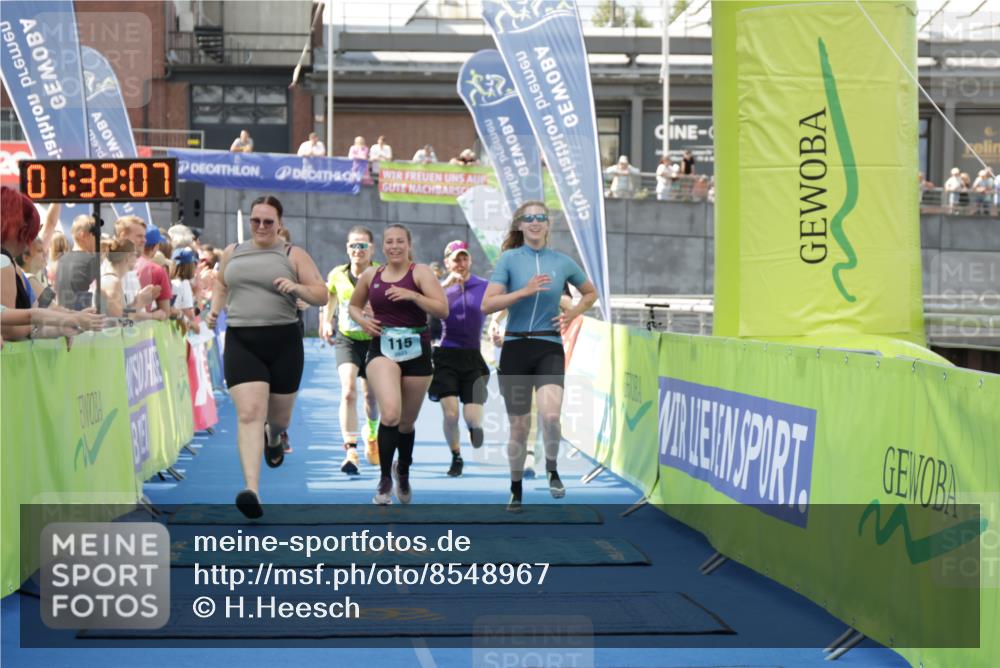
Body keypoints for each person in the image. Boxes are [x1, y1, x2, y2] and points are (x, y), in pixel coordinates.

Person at [204, 195, 328, 519]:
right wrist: (214, 311)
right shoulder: (233, 252)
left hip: (283, 342)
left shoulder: (292, 254)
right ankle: (252, 490)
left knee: (279, 418)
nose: (261, 226)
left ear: (279, 224)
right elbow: (221, 284)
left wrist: (296, 288)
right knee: (249, 414)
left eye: (268, 221)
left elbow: (321, 294)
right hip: (242, 341)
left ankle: (275, 437)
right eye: (255, 220)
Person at [481, 201, 597, 511]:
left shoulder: (561, 262)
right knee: (519, 427)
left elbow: (590, 293)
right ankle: (516, 488)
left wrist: (573, 313)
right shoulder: (509, 260)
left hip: (548, 346)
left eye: (540, 218)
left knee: (551, 416)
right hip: (516, 348)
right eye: (529, 218)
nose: (535, 222)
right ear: (520, 225)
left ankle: (552, 469)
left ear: (547, 224)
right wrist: (524, 291)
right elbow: (488, 305)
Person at [348, 224, 448, 505]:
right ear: (382, 246)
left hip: (417, 350)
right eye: (389, 242)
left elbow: (442, 310)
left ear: (409, 245)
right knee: (390, 414)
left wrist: (414, 296)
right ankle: (384, 479)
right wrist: (363, 320)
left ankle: (402, 469)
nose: (394, 246)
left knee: (406, 422)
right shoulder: (371, 275)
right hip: (382, 349)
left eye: (400, 241)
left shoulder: (420, 273)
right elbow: (354, 306)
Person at [1, 186, 104, 341]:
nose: (45, 254)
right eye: (39, 251)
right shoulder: (7, 264)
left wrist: (68, 322)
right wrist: (71, 320)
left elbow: (47, 308)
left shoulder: (25, 276)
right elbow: (12, 328)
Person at [321, 226, 381, 473]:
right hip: (347, 340)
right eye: (354, 245)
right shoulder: (337, 274)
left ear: (371, 249)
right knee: (348, 392)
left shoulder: (382, 274)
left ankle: (372, 434)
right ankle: (351, 450)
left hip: (374, 340)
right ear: (347, 248)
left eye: (363, 245)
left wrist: (378, 312)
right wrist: (327, 321)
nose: (358, 250)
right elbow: (330, 297)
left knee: (371, 398)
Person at [430, 240, 490, 477]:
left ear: (470, 261)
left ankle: (474, 429)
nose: (461, 263)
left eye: (465, 258)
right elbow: (422, 310)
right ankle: (456, 456)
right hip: (445, 356)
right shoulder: (439, 288)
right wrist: (444, 286)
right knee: (451, 414)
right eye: (456, 259)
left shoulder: (483, 286)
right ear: (447, 263)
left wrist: (497, 323)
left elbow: (505, 302)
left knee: (472, 418)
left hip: (472, 356)